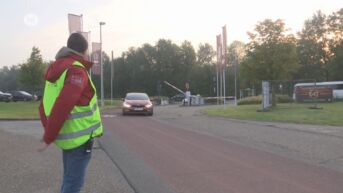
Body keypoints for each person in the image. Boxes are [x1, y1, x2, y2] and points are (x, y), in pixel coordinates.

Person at [38, 32, 103, 193]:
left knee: (69, 180)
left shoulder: (56, 68)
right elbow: (63, 105)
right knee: (73, 185)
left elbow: (43, 104)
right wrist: (48, 137)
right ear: (84, 51)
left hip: (69, 137)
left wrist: (49, 130)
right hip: (79, 140)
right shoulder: (76, 71)